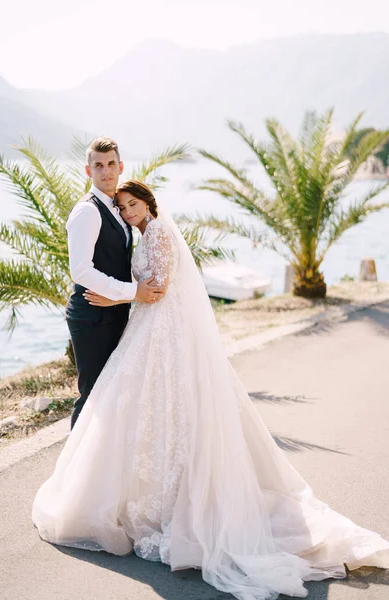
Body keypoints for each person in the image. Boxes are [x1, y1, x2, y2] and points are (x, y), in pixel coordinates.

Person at [32, 180, 389, 600]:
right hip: (149, 330)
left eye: (133, 204)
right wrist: (127, 296)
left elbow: (158, 288)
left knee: (160, 407)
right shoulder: (143, 234)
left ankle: (174, 501)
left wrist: (112, 301)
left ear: (148, 203)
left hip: (161, 332)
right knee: (143, 409)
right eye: (123, 207)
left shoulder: (160, 232)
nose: (128, 211)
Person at [65, 138, 165, 428]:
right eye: (98, 165)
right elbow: (81, 271)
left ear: (120, 167)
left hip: (113, 313)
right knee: (92, 396)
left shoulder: (118, 209)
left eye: (111, 164)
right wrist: (133, 292)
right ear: (88, 170)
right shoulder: (88, 211)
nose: (105, 171)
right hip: (92, 317)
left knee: (110, 396)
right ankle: (76, 471)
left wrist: (123, 299)